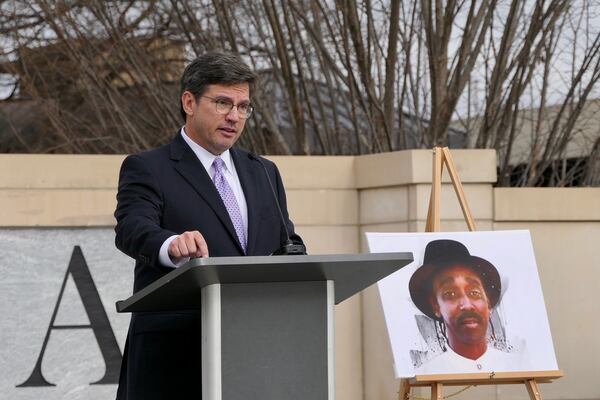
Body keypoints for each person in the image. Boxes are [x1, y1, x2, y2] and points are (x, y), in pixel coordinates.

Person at [114, 51, 303, 399]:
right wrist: (169, 245)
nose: (235, 116)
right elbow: (131, 226)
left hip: (254, 356)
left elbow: (287, 241)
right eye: (222, 103)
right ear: (189, 101)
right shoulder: (148, 167)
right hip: (173, 361)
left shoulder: (263, 171)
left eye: (243, 106)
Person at [408, 239, 517, 373]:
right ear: (436, 306)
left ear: (488, 303)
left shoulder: (516, 365)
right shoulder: (427, 371)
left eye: (474, 292)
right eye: (450, 294)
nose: (466, 305)